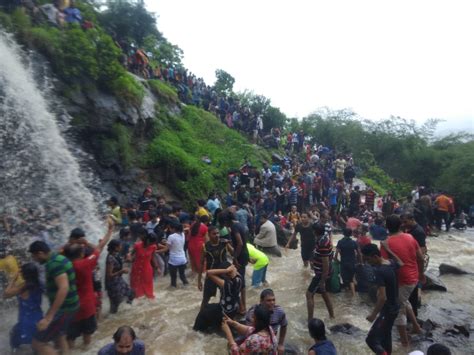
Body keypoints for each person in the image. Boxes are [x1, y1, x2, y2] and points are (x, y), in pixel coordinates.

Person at [64, 218, 114, 349]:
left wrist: (70, 243)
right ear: (81, 253)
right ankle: (85, 350)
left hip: (70, 306)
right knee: (87, 334)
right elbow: (100, 247)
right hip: (87, 305)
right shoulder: (85, 264)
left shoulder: (63, 264)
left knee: (70, 336)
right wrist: (110, 230)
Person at [28, 240, 79, 355]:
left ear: (40, 253)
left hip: (64, 309)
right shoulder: (59, 258)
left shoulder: (54, 264)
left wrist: (48, 317)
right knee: (60, 336)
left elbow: (63, 288)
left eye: (34, 256)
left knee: (37, 342)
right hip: (71, 306)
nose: (34, 259)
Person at [381, 214, 424, 347]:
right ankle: (417, 327)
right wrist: (421, 274)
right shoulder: (410, 237)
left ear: (387, 227)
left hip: (401, 280)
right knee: (404, 301)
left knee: (398, 310)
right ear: (401, 225)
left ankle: (404, 343)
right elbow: (421, 258)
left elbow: (385, 266)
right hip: (414, 277)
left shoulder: (385, 243)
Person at [361, 244, 400, 355]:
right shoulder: (390, 263)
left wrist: (373, 315)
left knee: (371, 340)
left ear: (376, 257)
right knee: (386, 336)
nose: (368, 263)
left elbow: (382, 297)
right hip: (395, 307)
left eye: (368, 260)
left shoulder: (379, 271)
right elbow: (400, 263)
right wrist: (388, 250)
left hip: (388, 310)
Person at [4, 262, 43, 352]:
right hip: (38, 317)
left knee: (15, 342)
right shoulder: (39, 283)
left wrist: (13, 279)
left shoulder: (23, 287)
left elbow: (6, 294)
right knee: (37, 345)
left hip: (27, 320)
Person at [193, 263, 243, 331]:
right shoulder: (239, 280)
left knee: (204, 310)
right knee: (210, 307)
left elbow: (208, 272)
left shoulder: (226, 284)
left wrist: (226, 270)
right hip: (233, 310)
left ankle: (196, 330)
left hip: (224, 311)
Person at [198, 226, 233, 309]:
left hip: (223, 273)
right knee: (206, 298)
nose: (217, 235)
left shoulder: (224, 243)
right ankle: (202, 315)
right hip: (211, 275)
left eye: (218, 233)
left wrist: (229, 243)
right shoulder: (205, 247)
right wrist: (199, 280)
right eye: (214, 234)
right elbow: (201, 263)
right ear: (209, 235)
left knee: (225, 295)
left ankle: (223, 313)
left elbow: (233, 254)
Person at [246, 289, 288, 355]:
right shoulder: (254, 312)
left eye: (273, 300)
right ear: (261, 301)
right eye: (268, 300)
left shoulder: (279, 312)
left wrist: (281, 344)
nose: (272, 303)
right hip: (255, 339)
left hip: (271, 340)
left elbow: (284, 325)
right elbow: (249, 329)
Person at [306, 223, 334, 321]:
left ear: (314, 232)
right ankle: (332, 316)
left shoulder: (322, 243)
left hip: (321, 274)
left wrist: (322, 281)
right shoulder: (323, 239)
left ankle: (310, 320)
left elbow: (325, 263)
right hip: (324, 272)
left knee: (309, 294)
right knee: (324, 294)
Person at [105, 239, 134, 314]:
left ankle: (128, 311)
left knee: (131, 293)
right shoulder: (110, 258)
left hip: (118, 281)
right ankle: (111, 319)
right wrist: (121, 271)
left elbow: (117, 265)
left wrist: (126, 261)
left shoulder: (115, 254)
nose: (121, 247)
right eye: (120, 246)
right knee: (115, 304)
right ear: (115, 247)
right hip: (113, 284)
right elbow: (109, 275)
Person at [130, 228, 158, 298]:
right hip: (136, 269)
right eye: (151, 243)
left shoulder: (153, 247)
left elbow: (153, 258)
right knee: (135, 286)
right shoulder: (137, 245)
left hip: (147, 270)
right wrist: (129, 258)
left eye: (153, 243)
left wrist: (156, 267)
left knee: (147, 287)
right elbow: (130, 255)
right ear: (147, 240)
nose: (151, 244)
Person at [162, 220, 188, 287]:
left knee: (173, 279)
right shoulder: (183, 234)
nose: (169, 230)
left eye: (170, 228)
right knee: (182, 276)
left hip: (174, 260)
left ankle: (173, 288)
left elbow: (166, 249)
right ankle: (186, 285)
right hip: (183, 259)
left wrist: (155, 251)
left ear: (174, 228)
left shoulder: (171, 236)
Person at [335, 228, 360, 296]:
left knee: (345, 281)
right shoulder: (354, 242)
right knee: (351, 279)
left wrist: (338, 262)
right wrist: (360, 262)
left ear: (343, 233)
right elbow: (359, 253)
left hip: (344, 263)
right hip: (352, 263)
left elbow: (336, 255)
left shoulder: (340, 242)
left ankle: (349, 297)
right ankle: (353, 296)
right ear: (351, 234)